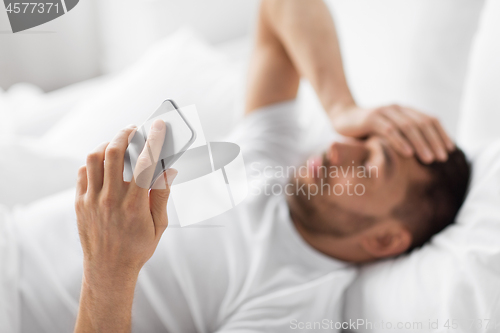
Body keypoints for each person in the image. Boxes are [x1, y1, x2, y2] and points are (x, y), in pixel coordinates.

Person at [2, 0, 470, 332]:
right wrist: (343, 106)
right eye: (361, 140)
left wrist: (110, 268)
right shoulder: (274, 159)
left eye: (369, 165)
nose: (340, 148)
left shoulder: (290, 307)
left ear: (386, 238)